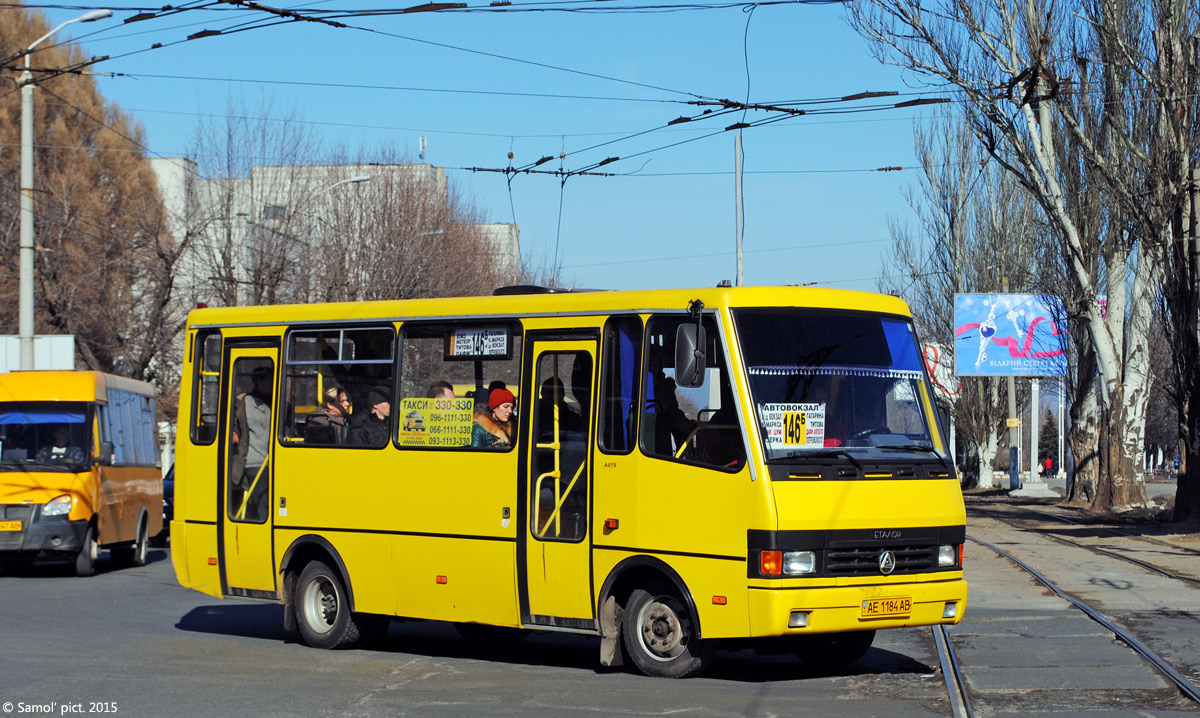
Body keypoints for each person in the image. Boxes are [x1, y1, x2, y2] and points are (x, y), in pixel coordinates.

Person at [230, 365, 273, 521]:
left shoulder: (278, 403)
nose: (271, 384)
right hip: (255, 461)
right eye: (268, 381)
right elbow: (232, 422)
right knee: (264, 505)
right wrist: (233, 432)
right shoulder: (243, 401)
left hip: (275, 460)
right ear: (259, 382)